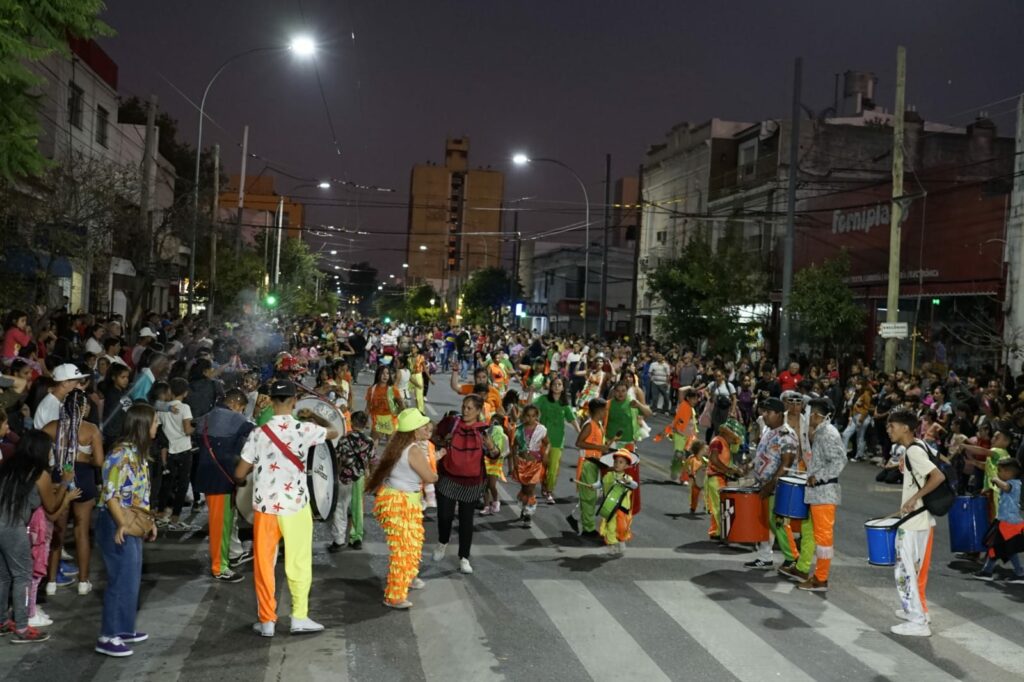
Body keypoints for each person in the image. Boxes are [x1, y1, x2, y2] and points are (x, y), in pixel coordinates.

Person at [235, 379, 338, 637]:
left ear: (269, 400)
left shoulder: (258, 433)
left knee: (264, 565)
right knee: (299, 562)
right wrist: (311, 415)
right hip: (296, 506)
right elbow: (335, 431)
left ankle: (267, 621)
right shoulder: (304, 429)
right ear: (294, 401)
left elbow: (239, 472)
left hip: (266, 508)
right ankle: (299, 617)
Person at [0, 431, 80, 644]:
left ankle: (2, 621)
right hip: (12, 527)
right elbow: (52, 509)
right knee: (22, 576)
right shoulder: (39, 473)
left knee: (4, 575)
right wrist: (64, 483)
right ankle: (23, 627)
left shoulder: (10, 466)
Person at [95, 404, 158, 657]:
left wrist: (148, 521)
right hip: (115, 522)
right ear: (143, 426)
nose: (158, 426)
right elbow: (110, 495)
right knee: (120, 579)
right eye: (155, 422)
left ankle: (123, 628)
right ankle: (107, 636)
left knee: (131, 577)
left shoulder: (138, 453)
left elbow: (139, 493)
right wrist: (121, 523)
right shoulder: (120, 455)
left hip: (130, 521)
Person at [367, 408, 437, 609]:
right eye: (423, 425)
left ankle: (410, 576)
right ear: (415, 430)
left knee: (413, 541)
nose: (427, 427)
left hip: (401, 500)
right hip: (401, 503)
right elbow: (430, 477)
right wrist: (435, 472)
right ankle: (394, 596)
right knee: (403, 549)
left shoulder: (399, 444)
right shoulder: (413, 450)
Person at [887, 409, 946, 637]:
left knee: (905, 570)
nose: (889, 430)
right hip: (921, 519)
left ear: (905, 428)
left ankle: (918, 620)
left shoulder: (913, 451)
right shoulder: (919, 446)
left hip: (913, 521)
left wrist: (913, 498)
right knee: (914, 569)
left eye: (892, 426)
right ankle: (917, 611)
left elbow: (938, 476)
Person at [41, 389, 103, 596]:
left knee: (57, 531)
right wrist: (86, 458)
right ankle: (83, 582)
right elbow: (100, 462)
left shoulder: (52, 427)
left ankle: (50, 582)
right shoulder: (91, 429)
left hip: (60, 478)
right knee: (81, 531)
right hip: (83, 478)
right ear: (83, 407)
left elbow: (37, 449)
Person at [194, 389, 253, 583]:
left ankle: (223, 562)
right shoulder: (232, 418)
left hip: (210, 477)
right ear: (235, 404)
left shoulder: (207, 417)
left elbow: (192, 428)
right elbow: (256, 433)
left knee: (223, 524)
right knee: (220, 526)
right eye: (242, 409)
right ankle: (219, 567)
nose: (241, 413)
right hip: (221, 480)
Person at [432, 394, 489, 575]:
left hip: (471, 482)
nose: (465, 411)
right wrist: (443, 440)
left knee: (466, 521)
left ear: (479, 411)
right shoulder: (452, 423)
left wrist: (493, 447)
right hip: (448, 477)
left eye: (470, 408)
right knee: (444, 516)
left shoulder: (483, 431)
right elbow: (433, 437)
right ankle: (442, 542)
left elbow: (494, 455)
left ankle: (464, 557)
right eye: (464, 406)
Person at [797, 398, 847, 592]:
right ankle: (817, 575)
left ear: (816, 415)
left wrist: (817, 477)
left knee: (824, 538)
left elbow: (839, 461)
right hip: (819, 494)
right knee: (818, 536)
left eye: (807, 413)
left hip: (824, 493)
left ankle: (821, 579)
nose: (805, 417)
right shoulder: (822, 432)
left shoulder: (828, 433)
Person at [745, 398, 799, 569]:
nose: (764, 415)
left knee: (777, 522)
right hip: (765, 484)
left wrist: (772, 484)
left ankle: (792, 557)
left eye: (768, 412)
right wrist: (749, 466)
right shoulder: (770, 430)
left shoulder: (787, 435)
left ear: (778, 414)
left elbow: (787, 464)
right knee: (765, 521)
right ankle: (764, 556)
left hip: (779, 487)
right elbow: (763, 454)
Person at [567, 398, 615, 537]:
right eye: (605, 410)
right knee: (589, 497)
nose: (606, 412)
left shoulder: (599, 425)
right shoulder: (589, 425)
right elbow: (579, 443)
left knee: (592, 497)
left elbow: (600, 445)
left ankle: (582, 521)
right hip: (587, 464)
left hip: (596, 464)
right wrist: (598, 447)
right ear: (598, 411)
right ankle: (588, 529)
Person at [329, 411, 375, 553]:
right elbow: (372, 461)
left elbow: (336, 458)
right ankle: (356, 538)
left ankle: (339, 540)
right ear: (366, 424)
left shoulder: (344, 439)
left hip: (344, 477)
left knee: (340, 508)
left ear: (352, 423)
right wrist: (371, 476)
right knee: (357, 508)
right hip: (359, 477)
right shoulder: (369, 441)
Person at [972, 458, 1024, 583]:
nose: (998, 474)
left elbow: (1006, 487)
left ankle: (1017, 573)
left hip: (1009, 523)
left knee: (1000, 547)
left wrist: (996, 479)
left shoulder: (1015, 484)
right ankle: (989, 571)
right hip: (1004, 521)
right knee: (999, 547)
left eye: (1000, 471)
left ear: (1008, 472)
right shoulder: (1012, 482)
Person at [157, 378, 195, 531]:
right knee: (182, 484)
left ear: (170, 391)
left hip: (169, 450)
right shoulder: (185, 408)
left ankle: (161, 514)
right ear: (185, 393)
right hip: (184, 450)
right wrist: (195, 429)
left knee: (167, 484)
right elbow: (187, 430)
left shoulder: (163, 408)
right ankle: (175, 518)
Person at [533, 377, 578, 505]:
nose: (557, 386)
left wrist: (580, 432)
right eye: (554, 384)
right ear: (550, 386)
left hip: (558, 441)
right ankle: (543, 486)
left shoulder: (564, 404)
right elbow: (531, 408)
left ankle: (549, 491)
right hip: (543, 440)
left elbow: (572, 419)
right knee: (542, 467)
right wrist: (531, 392)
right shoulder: (543, 400)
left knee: (553, 469)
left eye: (560, 384)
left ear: (563, 387)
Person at [705, 419, 745, 540]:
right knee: (719, 507)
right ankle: (724, 533)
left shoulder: (724, 443)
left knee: (716, 506)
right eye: (733, 437)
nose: (734, 440)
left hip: (720, 477)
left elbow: (724, 460)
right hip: (715, 478)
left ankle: (716, 531)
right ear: (728, 433)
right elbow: (714, 459)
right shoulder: (717, 442)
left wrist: (734, 469)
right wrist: (728, 470)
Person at [512, 405, 549, 529]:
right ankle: (524, 506)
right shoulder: (518, 430)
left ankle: (528, 514)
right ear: (523, 416)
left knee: (531, 490)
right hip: (523, 463)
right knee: (524, 489)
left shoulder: (541, 430)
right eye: (528, 415)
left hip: (535, 464)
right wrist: (514, 460)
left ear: (537, 416)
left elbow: (547, 444)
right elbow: (514, 447)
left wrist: (546, 454)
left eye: (534, 416)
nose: (531, 418)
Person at [597, 449, 640, 554]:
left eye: (621, 462)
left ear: (626, 466)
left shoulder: (627, 478)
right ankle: (611, 545)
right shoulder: (608, 476)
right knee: (610, 527)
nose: (617, 464)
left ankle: (621, 540)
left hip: (622, 508)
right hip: (610, 507)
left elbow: (635, 485)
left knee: (622, 527)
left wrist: (629, 482)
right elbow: (600, 483)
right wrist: (593, 486)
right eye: (616, 461)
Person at [33, 363, 87, 429]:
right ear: (65, 383)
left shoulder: (59, 401)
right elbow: (57, 434)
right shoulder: (52, 406)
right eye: (77, 382)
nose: (79, 386)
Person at [481, 413, 509, 516]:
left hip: (496, 463)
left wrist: (500, 455)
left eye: (496, 422)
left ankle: (496, 501)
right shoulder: (486, 433)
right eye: (492, 421)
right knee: (483, 486)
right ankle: (486, 505)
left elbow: (507, 450)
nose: (494, 423)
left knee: (491, 485)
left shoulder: (504, 436)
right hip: (485, 461)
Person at [366, 365, 403, 443]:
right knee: (372, 444)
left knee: (391, 446)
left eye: (387, 373)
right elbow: (368, 407)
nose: (385, 375)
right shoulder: (371, 389)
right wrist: (365, 419)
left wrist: (398, 417)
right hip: (377, 420)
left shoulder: (393, 389)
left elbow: (401, 405)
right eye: (382, 373)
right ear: (378, 375)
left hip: (391, 420)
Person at [686, 440, 708, 514]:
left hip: (703, 480)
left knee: (706, 493)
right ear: (700, 450)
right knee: (695, 495)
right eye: (704, 449)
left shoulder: (704, 460)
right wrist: (691, 476)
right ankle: (693, 508)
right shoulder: (693, 459)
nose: (706, 450)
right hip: (695, 481)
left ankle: (707, 506)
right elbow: (689, 468)